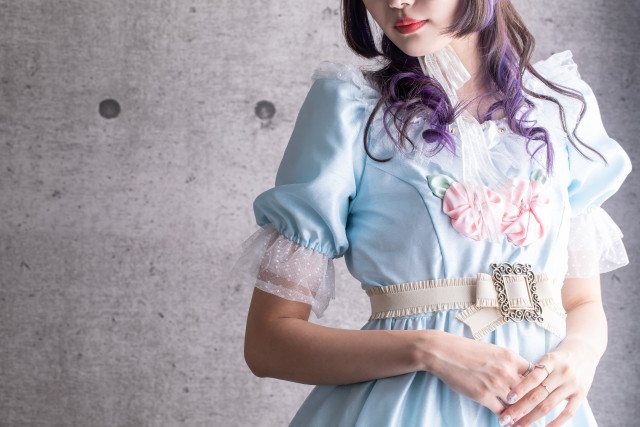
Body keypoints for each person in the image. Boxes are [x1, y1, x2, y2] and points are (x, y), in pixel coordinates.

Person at [237, 0, 631, 425]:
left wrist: (581, 354)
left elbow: (582, 301)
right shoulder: (352, 111)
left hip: (541, 412)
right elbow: (268, 343)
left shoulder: (557, 108)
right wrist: (429, 350)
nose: (396, 2)